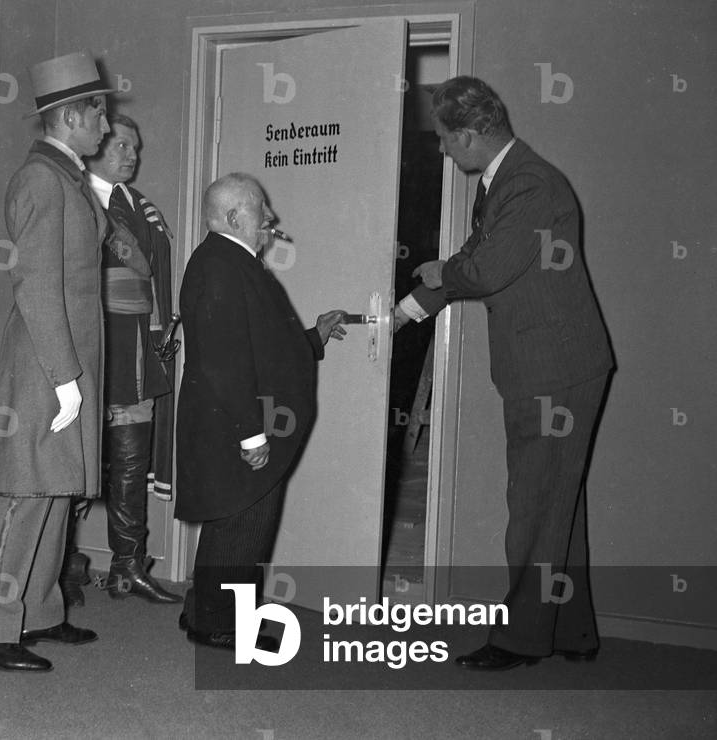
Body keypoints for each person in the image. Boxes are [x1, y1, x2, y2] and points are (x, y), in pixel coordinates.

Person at [394, 76, 614, 670]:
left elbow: (483, 270)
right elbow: (472, 260)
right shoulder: (506, 180)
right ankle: (570, 632)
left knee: (536, 504)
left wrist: (442, 273)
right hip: (553, 364)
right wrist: (409, 310)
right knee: (555, 502)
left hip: (554, 368)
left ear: (470, 134)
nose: (440, 148)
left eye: (444, 138)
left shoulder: (529, 183)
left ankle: (519, 640)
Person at [0, 50, 109, 672]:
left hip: (65, 357)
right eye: (99, 113)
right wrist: (65, 379)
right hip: (47, 361)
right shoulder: (42, 180)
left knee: (54, 492)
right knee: (25, 494)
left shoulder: (65, 176)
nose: (106, 124)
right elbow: (38, 286)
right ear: (72, 115)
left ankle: (38, 611)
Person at [175, 173, 345, 650]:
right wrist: (251, 435)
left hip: (237, 422)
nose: (270, 218)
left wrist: (314, 338)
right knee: (243, 527)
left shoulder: (230, 262)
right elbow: (224, 360)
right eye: (260, 209)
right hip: (239, 427)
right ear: (233, 217)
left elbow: (261, 347)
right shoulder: (223, 266)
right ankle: (222, 624)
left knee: (233, 523)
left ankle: (206, 611)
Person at [81, 113, 180, 604]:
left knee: (129, 458)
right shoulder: (74, 196)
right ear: (95, 144)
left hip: (139, 347)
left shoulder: (141, 206)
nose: (131, 155)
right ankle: (56, 569)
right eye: (121, 144)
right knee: (77, 459)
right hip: (94, 341)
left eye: (135, 147)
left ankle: (126, 566)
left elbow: (156, 277)